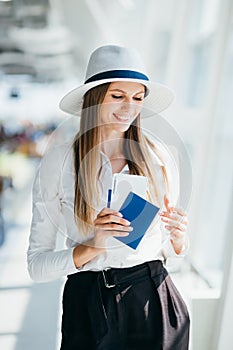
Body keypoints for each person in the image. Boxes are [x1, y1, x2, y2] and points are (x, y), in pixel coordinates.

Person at [27, 45, 190, 350]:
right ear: (94, 98)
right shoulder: (59, 163)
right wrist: (93, 246)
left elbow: (170, 252)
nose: (129, 107)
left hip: (151, 298)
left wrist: (179, 239)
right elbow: (37, 266)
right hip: (86, 301)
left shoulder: (161, 159)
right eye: (118, 96)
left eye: (137, 98)